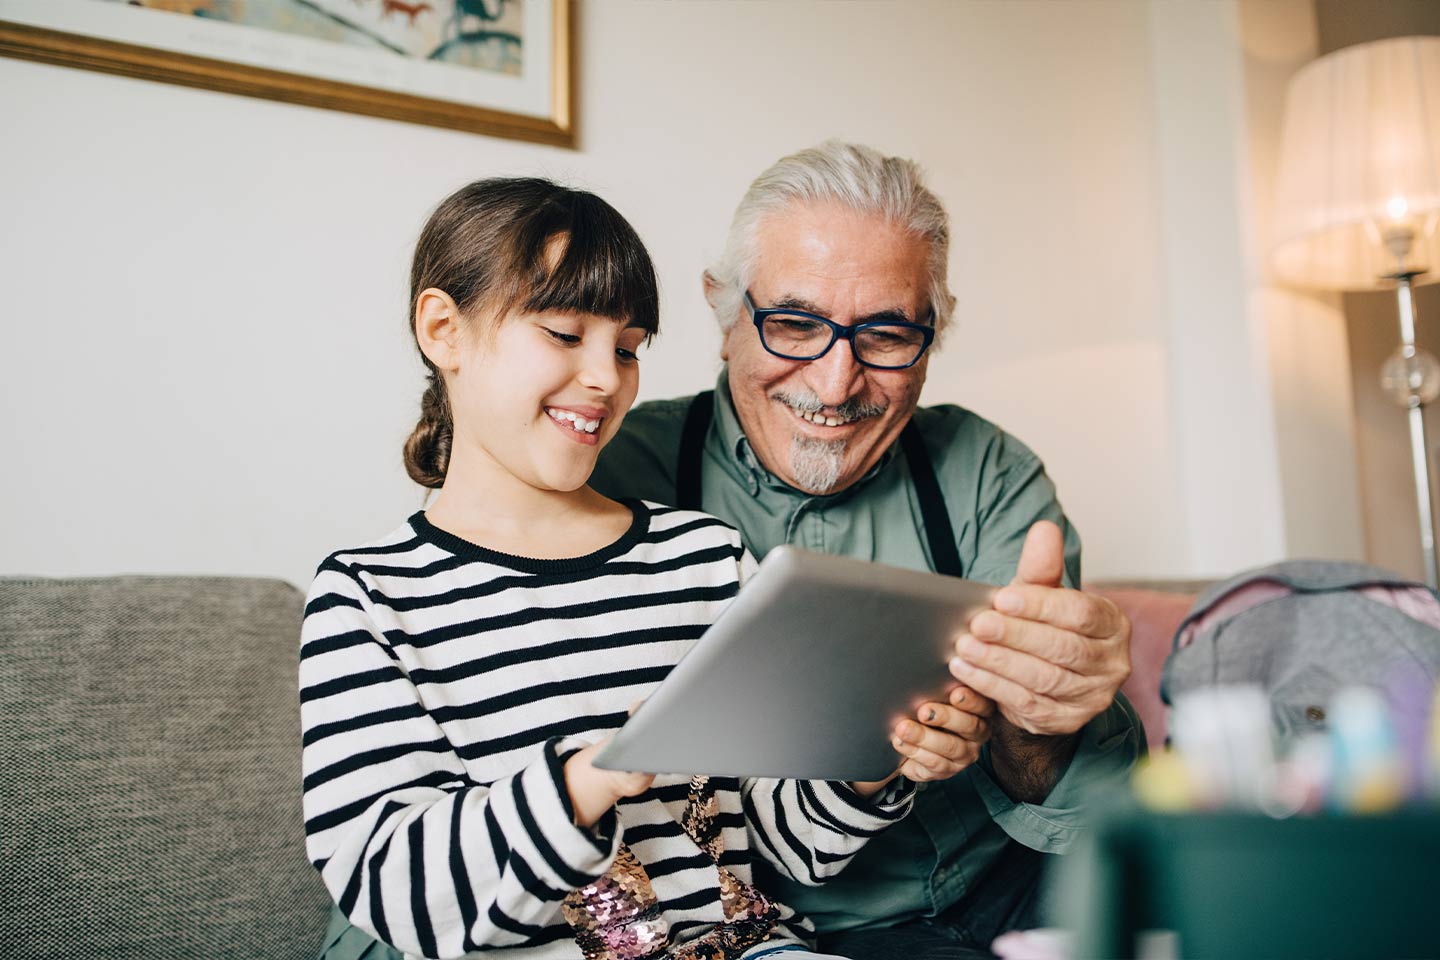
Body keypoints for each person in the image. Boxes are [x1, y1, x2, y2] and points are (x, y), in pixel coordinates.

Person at [299, 177, 996, 960]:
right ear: (443, 330)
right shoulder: (369, 598)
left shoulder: (702, 560)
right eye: (565, 334)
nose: (607, 377)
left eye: (627, 348)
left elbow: (779, 845)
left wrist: (872, 761)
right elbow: (393, 886)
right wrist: (585, 781)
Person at [587, 141, 1142, 960]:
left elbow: (1067, 788)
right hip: (780, 929)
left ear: (932, 336)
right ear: (723, 314)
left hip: (1011, 887)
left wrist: (1042, 718)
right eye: (796, 324)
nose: (837, 383)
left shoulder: (989, 474)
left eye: (885, 335)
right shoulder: (612, 470)